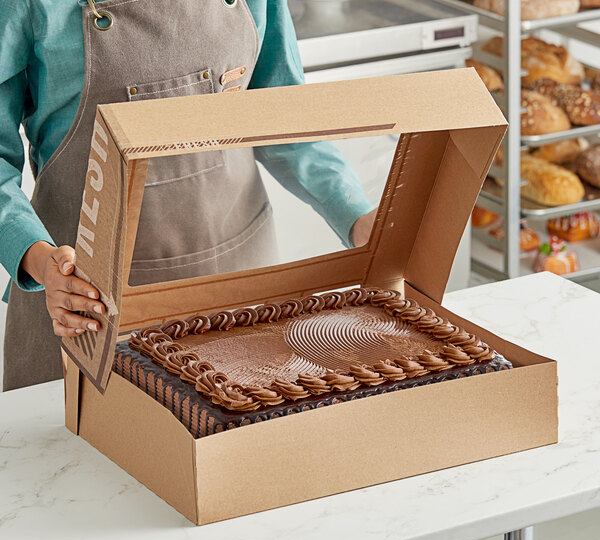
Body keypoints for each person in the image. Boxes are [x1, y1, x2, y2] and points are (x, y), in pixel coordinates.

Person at [0, 0, 375, 391]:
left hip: (239, 301)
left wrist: (358, 216)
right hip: (83, 310)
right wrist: (42, 263)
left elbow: (284, 119)